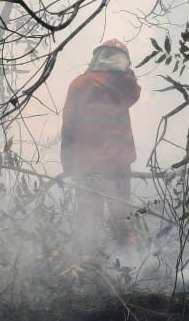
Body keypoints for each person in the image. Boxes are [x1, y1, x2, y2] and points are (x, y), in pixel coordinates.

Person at [60, 39, 141, 245]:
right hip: (118, 165)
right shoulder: (126, 84)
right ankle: (129, 263)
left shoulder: (79, 84)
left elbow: (68, 125)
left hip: (86, 165)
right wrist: (127, 73)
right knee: (121, 218)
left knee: (89, 221)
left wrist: (67, 162)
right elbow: (134, 93)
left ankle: (89, 265)